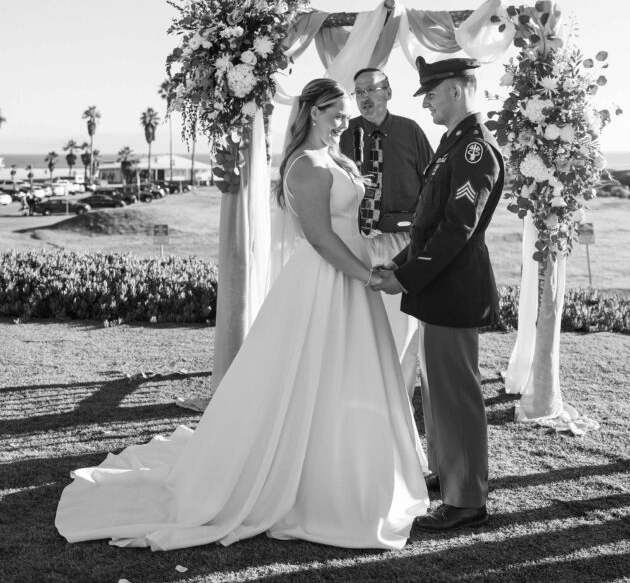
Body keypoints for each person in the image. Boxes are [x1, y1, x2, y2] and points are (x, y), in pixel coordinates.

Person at [55, 79, 427, 552]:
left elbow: (352, 225)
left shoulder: (336, 158)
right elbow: (320, 238)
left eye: (346, 112)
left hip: (351, 283)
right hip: (326, 282)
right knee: (312, 371)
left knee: (348, 374)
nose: (344, 120)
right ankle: (310, 483)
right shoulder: (306, 167)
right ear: (313, 112)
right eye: (336, 111)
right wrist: (368, 276)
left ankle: (355, 471)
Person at [374, 56, 505, 534]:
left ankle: (467, 499)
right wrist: (402, 264)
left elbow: (456, 231)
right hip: (438, 286)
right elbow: (427, 228)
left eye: (431, 93)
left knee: (456, 394)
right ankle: (449, 474)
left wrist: (408, 277)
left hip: (453, 287)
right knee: (437, 392)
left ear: (456, 89)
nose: (426, 102)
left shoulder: (475, 151)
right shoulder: (453, 146)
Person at [339, 68, 432, 397]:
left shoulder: (411, 132)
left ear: (388, 91)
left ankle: (400, 399)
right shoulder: (345, 134)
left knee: (403, 325)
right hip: (359, 242)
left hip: (402, 243)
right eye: (358, 92)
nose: (364, 98)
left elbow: (432, 189)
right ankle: (361, 395)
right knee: (360, 322)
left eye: (371, 90)